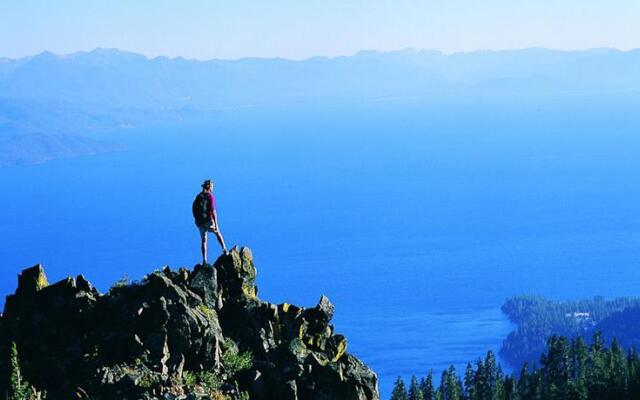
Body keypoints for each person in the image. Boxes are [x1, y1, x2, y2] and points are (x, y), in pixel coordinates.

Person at [193, 179, 227, 264]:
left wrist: (196, 221)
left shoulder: (198, 196)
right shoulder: (210, 197)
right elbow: (213, 211)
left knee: (204, 240)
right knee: (217, 232)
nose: (213, 188)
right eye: (212, 186)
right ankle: (224, 249)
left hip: (200, 222)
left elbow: (193, 208)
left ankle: (204, 260)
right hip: (208, 220)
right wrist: (216, 224)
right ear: (209, 187)